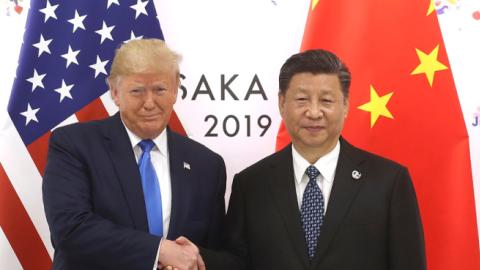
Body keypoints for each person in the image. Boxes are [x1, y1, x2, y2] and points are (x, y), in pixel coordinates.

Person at [203, 49, 426, 270]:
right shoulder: (251, 184)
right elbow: (235, 263)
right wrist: (193, 257)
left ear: (346, 105)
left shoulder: (389, 182)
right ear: (282, 103)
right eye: (301, 99)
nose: (314, 112)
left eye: (326, 100)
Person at [42, 39, 226, 270]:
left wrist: (191, 258)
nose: (150, 103)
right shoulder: (73, 145)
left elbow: (218, 253)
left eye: (160, 89)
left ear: (176, 89)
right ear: (115, 92)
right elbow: (70, 231)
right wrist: (159, 251)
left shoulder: (207, 165)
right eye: (137, 91)